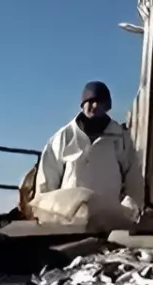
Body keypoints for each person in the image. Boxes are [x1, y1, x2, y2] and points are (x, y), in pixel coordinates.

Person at [34, 81, 142, 217]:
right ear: (82, 105)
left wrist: (130, 211)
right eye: (90, 101)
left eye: (100, 102)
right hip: (69, 217)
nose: (95, 106)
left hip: (109, 218)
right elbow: (47, 181)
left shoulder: (120, 138)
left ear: (107, 106)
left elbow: (134, 178)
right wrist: (46, 214)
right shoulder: (64, 137)